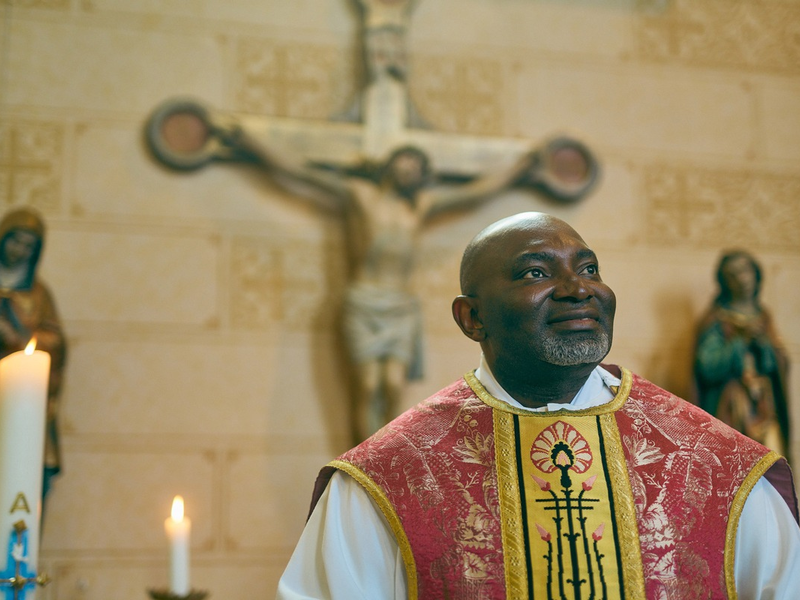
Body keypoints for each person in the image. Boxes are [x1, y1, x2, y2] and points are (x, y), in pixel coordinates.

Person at [275, 212, 800, 600]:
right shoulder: (388, 478)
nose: (578, 290)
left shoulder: (719, 466)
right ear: (471, 318)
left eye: (590, 269)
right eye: (535, 273)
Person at [217, 123, 537, 444]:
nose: (410, 169)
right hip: (364, 300)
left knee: (394, 386)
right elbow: (300, 174)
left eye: (418, 166)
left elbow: (474, 194)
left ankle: (386, 456)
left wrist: (519, 168)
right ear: (389, 164)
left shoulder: (420, 205)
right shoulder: (361, 195)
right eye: (405, 161)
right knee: (368, 386)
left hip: (399, 306)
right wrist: (251, 142)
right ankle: (363, 459)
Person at [694, 249, 790, 456]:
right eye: (733, 274)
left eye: (745, 271)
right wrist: (739, 342)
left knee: (771, 461)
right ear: (724, 281)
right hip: (733, 405)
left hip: (764, 404)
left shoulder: (764, 317)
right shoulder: (717, 320)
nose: (742, 279)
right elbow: (707, 366)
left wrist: (763, 345)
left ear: (756, 274)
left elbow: (779, 364)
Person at [0, 207, 67, 503]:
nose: (20, 250)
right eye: (16, 241)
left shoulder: (38, 295)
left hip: (20, 404)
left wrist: (21, 339)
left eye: (29, 246)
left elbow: (55, 341)